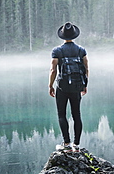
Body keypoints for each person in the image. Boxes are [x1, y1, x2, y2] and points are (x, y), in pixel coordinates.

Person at [49, 22, 89, 152]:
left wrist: (50, 85)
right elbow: (86, 68)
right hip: (77, 86)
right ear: (74, 35)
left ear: (62, 36)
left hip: (62, 87)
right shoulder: (81, 50)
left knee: (62, 114)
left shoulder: (57, 51)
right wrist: (84, 85)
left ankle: (66, 144)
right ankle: (76, 145)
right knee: (76, 114)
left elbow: (53, 70)